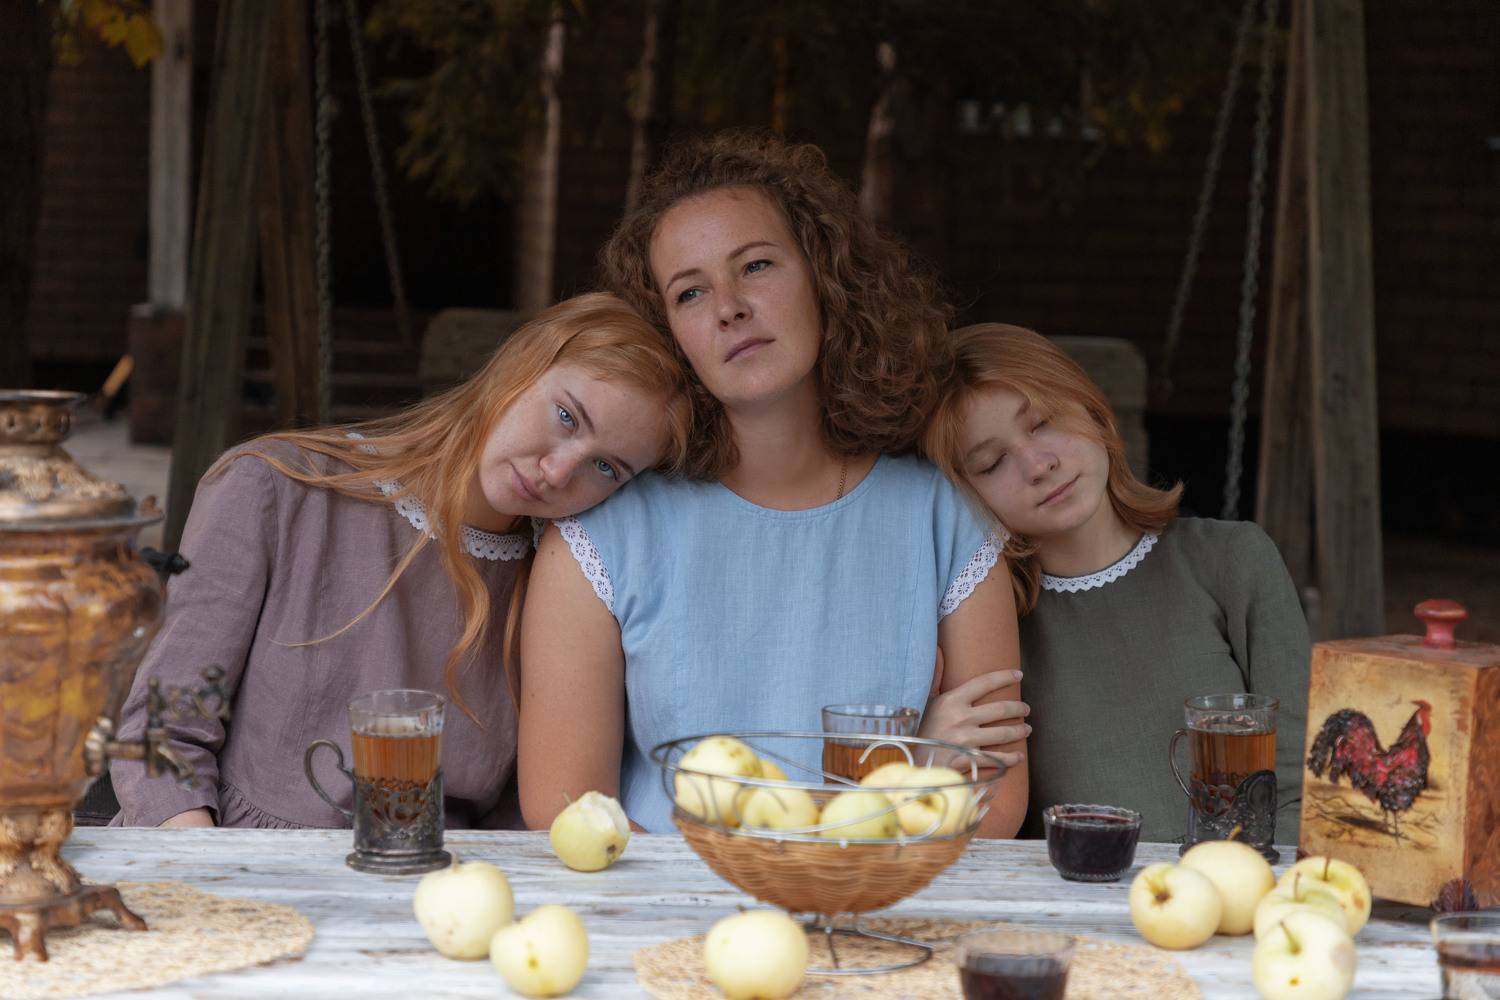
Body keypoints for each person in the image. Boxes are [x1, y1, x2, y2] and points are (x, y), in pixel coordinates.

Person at [519, 131, 1029, 836]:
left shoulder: (943, 517)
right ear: (668, 333)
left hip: (881, 894)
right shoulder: (603, 536)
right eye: (690, 292)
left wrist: (825, 863)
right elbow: (566, 806)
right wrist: (904, 770)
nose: (728, 307)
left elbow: (995, 804)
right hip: (664, 897)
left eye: (755, 265)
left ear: (825, 276)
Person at [111, 293, 692, 830]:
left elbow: (520, 821)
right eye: (566, 416)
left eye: (606, 467)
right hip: (232, 866)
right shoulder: (274, 487)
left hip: (437, 889)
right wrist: (215, 881)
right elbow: (160, 736)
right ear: (520, 366)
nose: (559, 472)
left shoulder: (561, 588)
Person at [923, 323, 1310, 843]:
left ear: (1092, 409)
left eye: (1043, 422)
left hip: (1245, 880)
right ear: (960, 499)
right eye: (991, 463)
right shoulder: (987, 629)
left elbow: (1305, 784)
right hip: (1074, 888)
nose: (1039, 465)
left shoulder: (1233, 559)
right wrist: (923, 747)